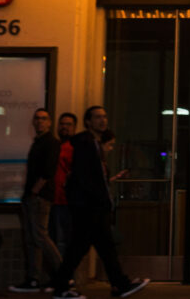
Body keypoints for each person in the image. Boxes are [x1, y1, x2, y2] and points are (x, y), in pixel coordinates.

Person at [47, 106, 149, 299]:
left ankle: (119, 283)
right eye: (97, 117)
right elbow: (86, 178)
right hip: (89, 207)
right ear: (88, 122)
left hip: (91, 206)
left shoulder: (92, 143)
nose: (103, 120)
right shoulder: (85, 144)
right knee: (82, 248)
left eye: (104, 116)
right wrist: (101, 201)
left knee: (99, 247)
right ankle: (64, 287)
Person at [9, 109, 63, 293]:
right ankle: (33, 278)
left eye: (44, 119)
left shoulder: (51, 143)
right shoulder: (38, 142)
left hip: (39, 197)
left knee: (40, 236)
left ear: (49, 123)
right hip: (33, 196)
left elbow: (47, 171)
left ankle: (63, 273)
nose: (40, 122)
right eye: (37, 119)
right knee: (33, 238)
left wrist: (34, 192)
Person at [50, 113, 78, 259]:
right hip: (53, 198)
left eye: (68, 124)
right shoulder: (56, 145)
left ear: (74, 127)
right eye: (62, 124)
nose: (64, 127)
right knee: (55, 238)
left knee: (62, 239)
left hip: (66, 200)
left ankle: (64, 275)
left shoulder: (74, 147)